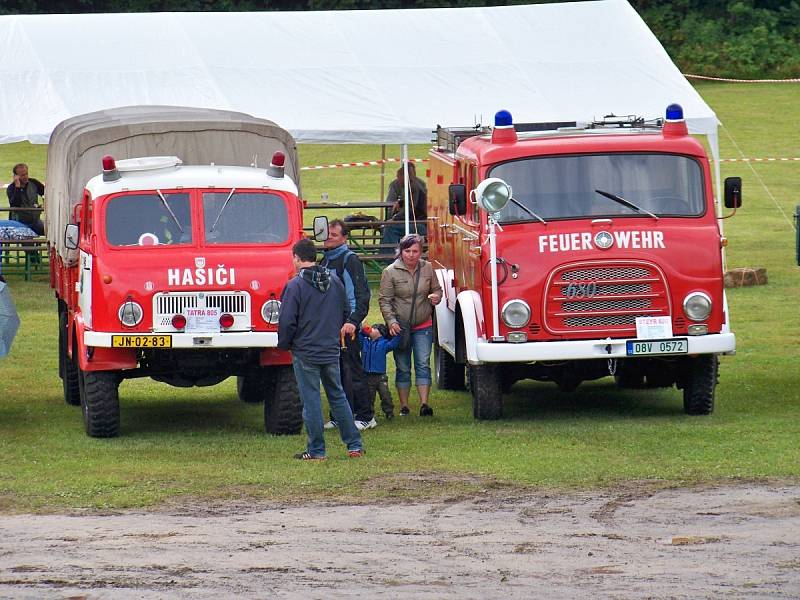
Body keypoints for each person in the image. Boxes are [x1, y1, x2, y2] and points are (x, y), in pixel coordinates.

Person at [278, 238, 364, 460]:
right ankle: (354, 444)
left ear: (296, 258)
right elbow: (345, 310)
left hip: (306, 351)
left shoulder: (295, 285)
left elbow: (287, 320)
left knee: (312, 400)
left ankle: (316, 449)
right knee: (338, 396)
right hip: (330, 349)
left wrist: (285, 344)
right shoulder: (334, 281)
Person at [319, 219, 376, 431]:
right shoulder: (324, 261)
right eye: (327, 234)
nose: (328, 238)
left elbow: (361, 295)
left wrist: (352, 321)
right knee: (335, 374)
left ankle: (366, 416)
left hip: (347, 329)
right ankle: (339, 415)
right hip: (330, 328)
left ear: (344, 238)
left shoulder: (349, 260)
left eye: (333, 235)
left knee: (353, 372)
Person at [379, 234, 442, 417]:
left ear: (421, 252)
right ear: (401, 251)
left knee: (423, 363)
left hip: (424, 324)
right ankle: (404, 406)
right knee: (403, 366)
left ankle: (424, 404)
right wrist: (391, 322)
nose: (411, 255)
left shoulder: (428, 268)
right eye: (407, 251)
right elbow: (384, 300)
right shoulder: (390, 271)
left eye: (415, 251)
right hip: (401, 327)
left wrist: (436, 297)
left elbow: (436, 289)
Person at [358, 323, 401, 421]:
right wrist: (362, 331)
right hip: (367, 376)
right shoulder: (365, 342)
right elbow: (359, 337)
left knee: (385, 395)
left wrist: (398, 333)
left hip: (380, 376)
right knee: (369, 397)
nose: (372, 329)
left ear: (381, 333)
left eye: (375, 328)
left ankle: (389, 412)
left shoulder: (384, 343)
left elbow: (394, 343)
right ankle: (369, 414)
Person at [381, 164, 427, 247]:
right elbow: (412, 202)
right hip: (417, 222)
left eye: (398, 177)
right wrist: (400, 202)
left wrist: (394, 219)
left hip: (419, 224)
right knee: (390, 226)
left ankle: (387, 255)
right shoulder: (416, 185)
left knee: (390, 227)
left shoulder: (413, 188)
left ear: (404, 176)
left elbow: (410, 208)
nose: (397, 180)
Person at [6, 163, 45, 236]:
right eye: (22, 175)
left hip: (35, 220)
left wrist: (44, 203)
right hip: (20, 222)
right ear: (16, 176)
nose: (25, 177)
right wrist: (17, 187)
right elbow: (15, 204)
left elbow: (45, 192)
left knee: (50, 232)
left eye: (26, 174)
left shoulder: (33, 183)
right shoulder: (11, 188)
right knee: (28, 244)